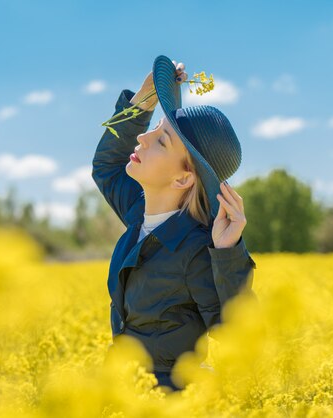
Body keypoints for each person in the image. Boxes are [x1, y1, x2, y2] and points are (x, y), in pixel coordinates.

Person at [92, 55, 257, 393]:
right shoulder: (139, 214)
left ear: (183, 178)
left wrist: (228, 254)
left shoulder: (197, 249)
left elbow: (241, 336)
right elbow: (106, 166)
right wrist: (144, 98)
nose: (143, 140)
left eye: (161, 140)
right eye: (153, 130)